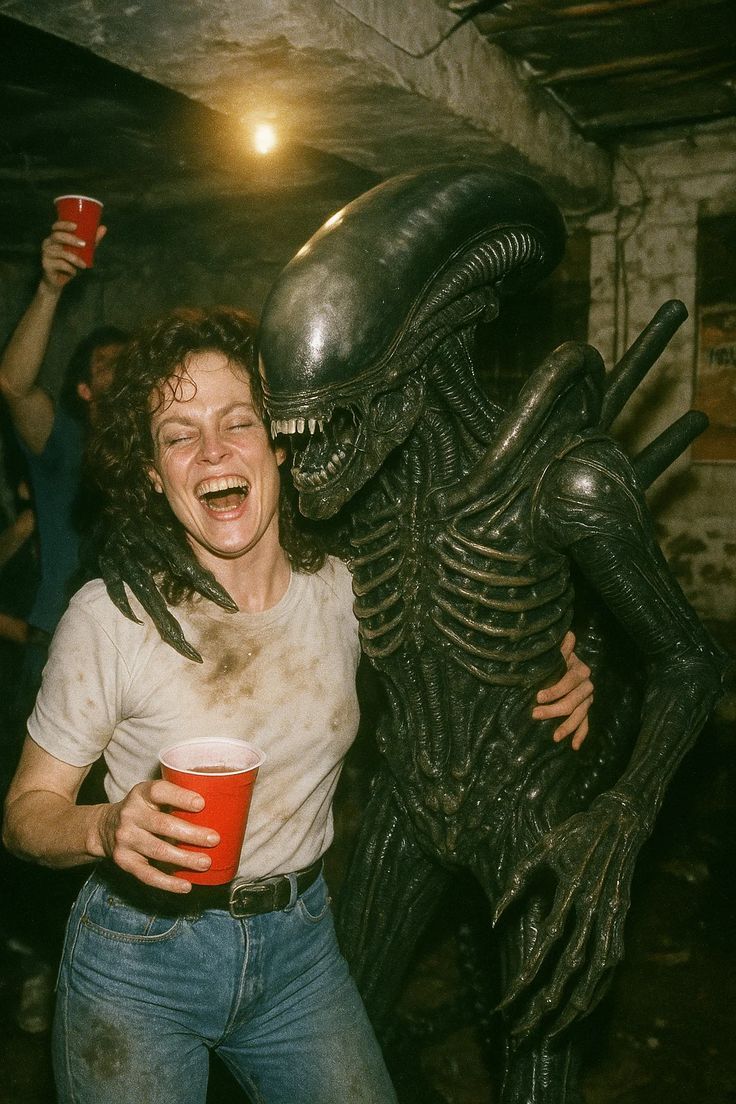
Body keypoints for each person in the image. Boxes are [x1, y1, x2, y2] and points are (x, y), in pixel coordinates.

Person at [2, 307, 592, 1104]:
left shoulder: (348, 591)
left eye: (237, 421)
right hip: (139, 961)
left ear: (278, 442)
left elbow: (472, 657)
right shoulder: (112, 618)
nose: (214, 450)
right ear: (151, 473)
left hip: (300, 951)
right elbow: (26, 816)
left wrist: (555, 665)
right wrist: (104, 827)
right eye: (178, 436)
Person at [0, 219, 129, 1034]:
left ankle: (107, 976)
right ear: (84, 386)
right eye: (109, 364)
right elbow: (14, 386)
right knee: (44, 821)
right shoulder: (65, 445)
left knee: (114, 830)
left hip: (140, 669)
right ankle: (38, 968)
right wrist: (50, 289)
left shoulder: (164, 451)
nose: (124, 373)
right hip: (55, 660)